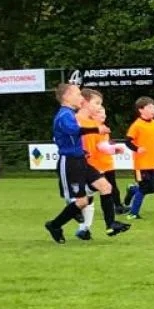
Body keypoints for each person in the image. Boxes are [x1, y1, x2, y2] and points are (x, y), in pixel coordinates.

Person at [43, 81, 97, 241]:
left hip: (79, 159)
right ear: (67, 96)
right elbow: (74, 130)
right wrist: (96, 129)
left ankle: (62, 223)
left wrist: (81, 150)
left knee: (91, 194)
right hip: (69, 162)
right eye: (78, 94)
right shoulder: (64, 115)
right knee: (80, 201)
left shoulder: (70, 113)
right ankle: (55, 224)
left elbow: (71, 138)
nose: (81, 97)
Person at [75, 91, 128, 237]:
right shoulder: (76, 120)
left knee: (99, 192)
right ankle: (68, 223)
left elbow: (101, 146)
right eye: (97, 105)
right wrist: (80, 152)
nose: (101, 111)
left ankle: (89, 228)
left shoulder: (99, 128)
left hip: (96, 166)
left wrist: (113, 149)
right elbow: (64, 138)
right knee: (87, 198)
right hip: (80, 165)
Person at [124, 98, 154, 217]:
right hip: (141, 164)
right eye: (149, 107)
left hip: (153, 163)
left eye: (153, 107)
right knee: (144, 188)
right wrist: (137, 149)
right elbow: (127, 142)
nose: (153, 110)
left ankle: (132, 190)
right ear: (141, 110)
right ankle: (133, 213)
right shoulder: (137, 125)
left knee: (153, 188)